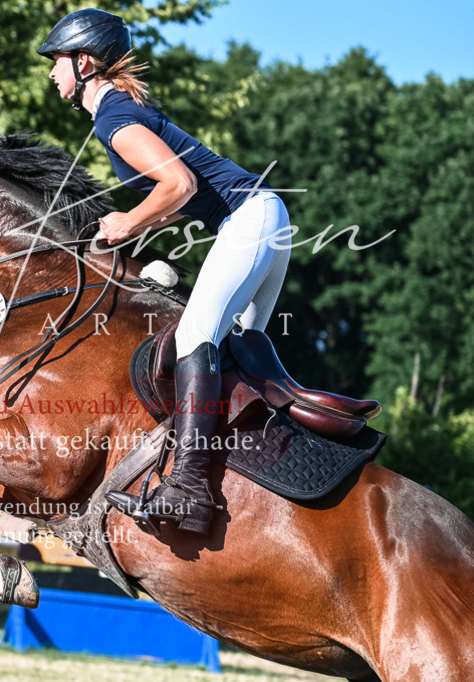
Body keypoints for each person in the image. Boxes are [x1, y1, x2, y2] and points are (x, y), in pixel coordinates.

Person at [38, 9, 291, 535]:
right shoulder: (120, 111)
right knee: (239, 346)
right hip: (265, 217)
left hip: (250, 219)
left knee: (195, 338)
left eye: (57, 61)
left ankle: (190, 488)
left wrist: (130, 220)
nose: (51, 72)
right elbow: (183, 194)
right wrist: (129, 224)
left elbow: (179, 185)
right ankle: (275, 460)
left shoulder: (114, 120)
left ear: (83, 63)